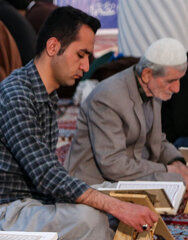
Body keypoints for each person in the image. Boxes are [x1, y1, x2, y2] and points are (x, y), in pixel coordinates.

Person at [0, 7, 159, 240]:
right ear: (54, 46)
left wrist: (110, 204)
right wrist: (116, 207)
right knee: (93, 216)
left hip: (30, 203)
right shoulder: (16, 96)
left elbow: (47, 177)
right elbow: (46, 175)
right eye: (81, 55)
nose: (86, 66)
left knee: (100, 205)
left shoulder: (44, 92)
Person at [67, 38, 188, 187]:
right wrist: (168, 170)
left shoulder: (154, 88)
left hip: (133, 171)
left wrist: (177, 163)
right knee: (175, 182)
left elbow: (158, 139)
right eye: (171, 81)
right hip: (96, 183)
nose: (177, 89)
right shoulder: (108, 97)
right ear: (147, 74)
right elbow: (112, 165)